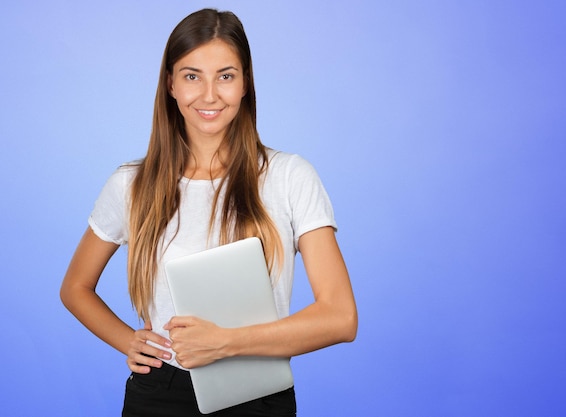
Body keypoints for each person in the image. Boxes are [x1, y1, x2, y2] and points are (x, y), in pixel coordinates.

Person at [60, 8, 357, 417]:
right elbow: (75, 287)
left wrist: (227, 342)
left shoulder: (290, 177)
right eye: (192, 75)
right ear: (170, 84)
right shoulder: (131, 184)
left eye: (226, 76)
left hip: (258, 395)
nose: (210, 95)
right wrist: (129, 341)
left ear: (246, 83)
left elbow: (340, 317)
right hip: (159, 393)